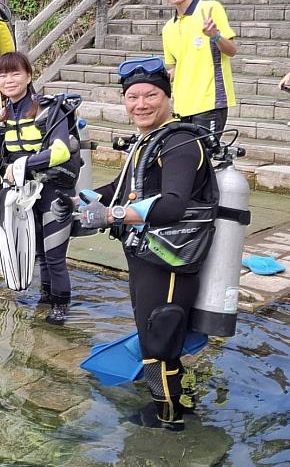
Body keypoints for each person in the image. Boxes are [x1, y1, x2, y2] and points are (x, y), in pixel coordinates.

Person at [53, 57, 218, 431]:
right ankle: (178, 400)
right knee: (154, 334)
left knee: (159, 339)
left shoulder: (179, 143)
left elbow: (174, 204)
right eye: (132, 97)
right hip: (148, 254)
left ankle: (169, 419)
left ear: (168, 97)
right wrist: (83, 199)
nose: (140, 104)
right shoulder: (149, 140)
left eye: (151, 95)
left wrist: (112, 216)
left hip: (171, 261)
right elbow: (126, 187)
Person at [0, 52, 80, 324]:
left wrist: (24, 163)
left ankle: (61, 306)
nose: (8, 80)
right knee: (40, 254)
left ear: (29, 76)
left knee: (54, 255)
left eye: (15, 73)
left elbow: (61, 151)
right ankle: (46, 297)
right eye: (2, 75)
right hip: (26, 197)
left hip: (55, 191)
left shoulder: (49, 109)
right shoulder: (2, 118)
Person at [159, 0, 238, 135]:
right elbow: (175, 68)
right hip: (181, 107)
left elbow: (232, 51)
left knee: (204, 156)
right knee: (187, 158)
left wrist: (214, 35)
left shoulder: (209, 8)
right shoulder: (168, 28)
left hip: (210, 102)